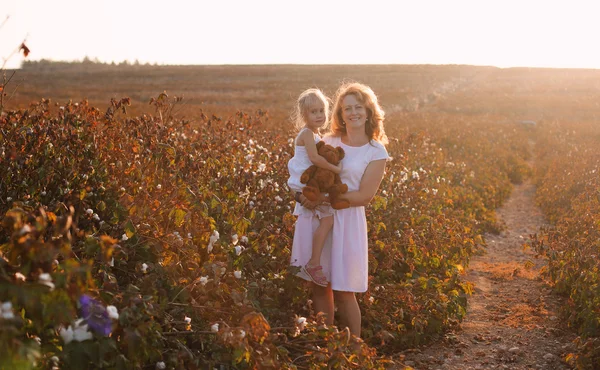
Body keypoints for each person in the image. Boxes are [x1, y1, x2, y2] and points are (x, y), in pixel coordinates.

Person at [290, 82, 389, 337]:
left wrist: (326, 198)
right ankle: (327, 346)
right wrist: (303, 196)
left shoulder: (376, 151)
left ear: (368, 112)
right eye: (347, 109)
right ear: (341, 115)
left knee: (345, 291)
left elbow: (365, 196)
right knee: (320, 286)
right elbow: (307, 172)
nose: (353, 112)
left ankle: (354, 347)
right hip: (320, 217)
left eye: (358, 107)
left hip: (347, 220)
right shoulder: (328, 140)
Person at [287, 88, 342, 287]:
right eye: (313, 112)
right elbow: (315, 158)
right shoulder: (307, 134)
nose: (319, 115)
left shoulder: (317, 134)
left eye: (322, 111)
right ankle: (314, 263)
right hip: (304, 183)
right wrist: (335, 167)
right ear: (304, 115)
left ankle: (315, 262)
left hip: (310, 183)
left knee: (326, 221)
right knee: (327, 220)